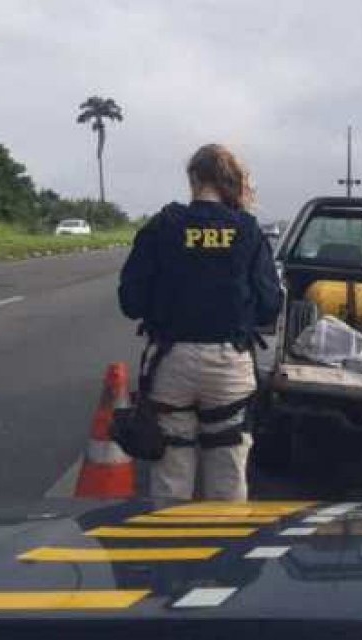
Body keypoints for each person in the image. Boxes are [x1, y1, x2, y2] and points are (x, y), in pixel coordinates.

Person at [118, 144, 283, 501]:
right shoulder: (248, 230)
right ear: (228, 181)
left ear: (193, 179)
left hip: (171, 362)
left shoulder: (163, 226)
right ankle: (225, 551)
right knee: (228, 467)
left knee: (171, 469)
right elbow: (270, 305)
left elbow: (130, 302)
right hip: (229, 364)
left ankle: (170, 546)